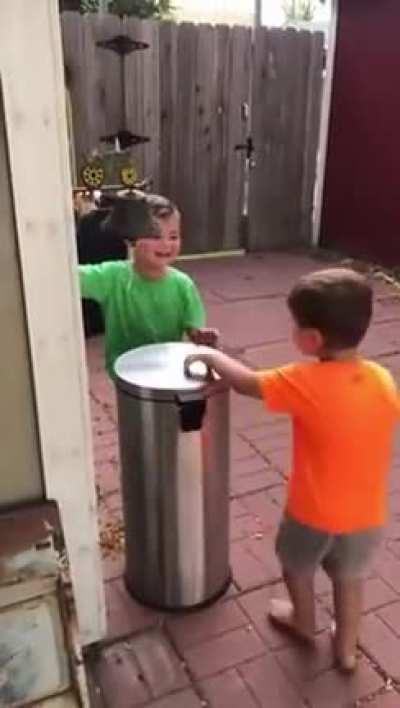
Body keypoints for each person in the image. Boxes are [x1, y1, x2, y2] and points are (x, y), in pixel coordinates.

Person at [185, 268, 399, 672]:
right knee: (349, 577)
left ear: (313, 339)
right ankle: (347, 650)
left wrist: (213, 356)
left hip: (312, 512)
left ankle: (303, 621)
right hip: (367, 515)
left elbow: (247, 382)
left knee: (295, 565)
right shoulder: (383, 379)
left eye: (295, 324)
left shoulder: (303, 381)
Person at [79, 192, 217, 377]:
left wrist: (201, 336)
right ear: (132, 239)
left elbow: (194, 329)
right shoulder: (112, 277)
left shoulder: (183, 285)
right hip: (125, 372)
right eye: (155, 236)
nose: (166, 244)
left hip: (166, 368)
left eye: (173, 236)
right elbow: (73, 278)